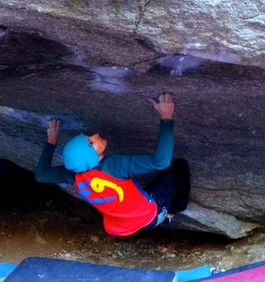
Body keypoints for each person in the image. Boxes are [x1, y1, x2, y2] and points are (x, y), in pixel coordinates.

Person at [35, 93, 190, 237]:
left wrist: (51, 142)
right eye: (91, 142)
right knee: (179, 167)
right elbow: (160, 161)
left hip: (122, 225)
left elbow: (42, 175)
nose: (95, 135)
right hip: (152, 216)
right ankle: (171, 213)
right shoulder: (114, 167)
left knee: (145, 190)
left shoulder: (74, 175)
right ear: (91, 157)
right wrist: (166, 117)